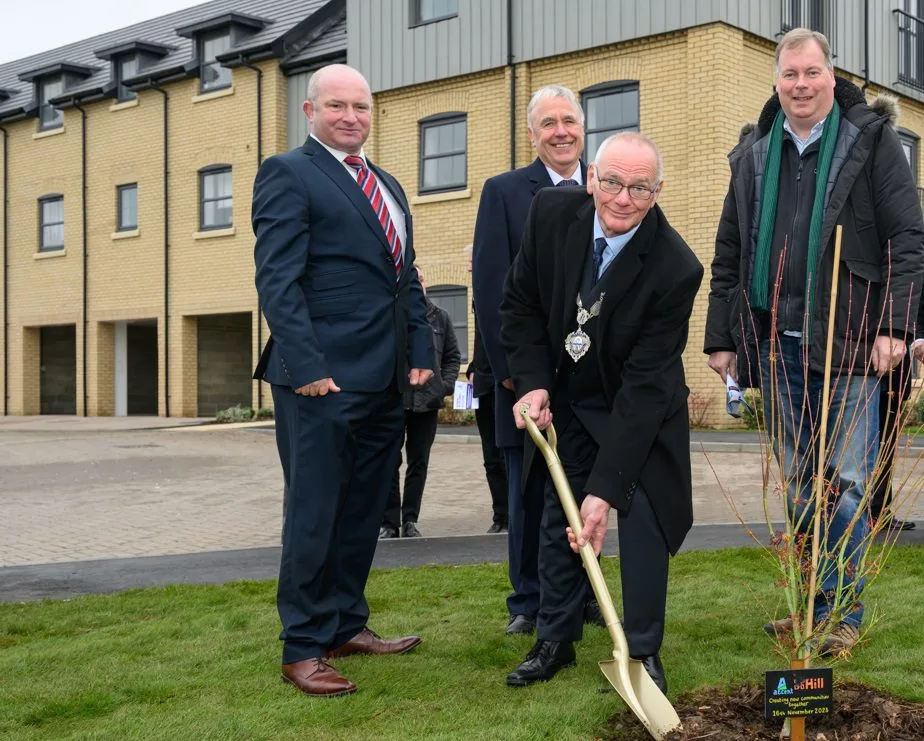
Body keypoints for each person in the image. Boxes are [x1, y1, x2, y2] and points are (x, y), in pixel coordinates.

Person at [704, 29, 924, 656]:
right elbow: (730, 250)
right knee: (801, 482)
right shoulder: (753, 153)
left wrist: (897, 326)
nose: (800, 85)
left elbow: (907, 238)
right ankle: (811, 599)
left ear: (833, 76)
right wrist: (722, 337)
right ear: (776, 81)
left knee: (846, 483)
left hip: (850, 343)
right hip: (775, 342)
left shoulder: (871, 142)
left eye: (812, 72)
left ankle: (843, 609)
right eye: (789, 74)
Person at [252, 63, 435, 698]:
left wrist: (420, 350)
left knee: (362, 510)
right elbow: (277, 280)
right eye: (337, 106)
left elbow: (405, 278)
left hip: (384, 379)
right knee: (315, 512)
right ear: (310, 112)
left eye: (361, 106)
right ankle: (302, 646)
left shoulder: (387, 184)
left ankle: (344, 624)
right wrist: (306, 368)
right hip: (320, 381)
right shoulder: (288, 173)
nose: (351, 116)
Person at [500, 132, 703, 693]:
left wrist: (607, 488)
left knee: (643, 519)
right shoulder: (551, 214)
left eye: (639, 188)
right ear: (591, 178)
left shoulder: (675, 268)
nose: (621, 198)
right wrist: (535, 384)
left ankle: (641, 650)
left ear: (657, 192)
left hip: (639, 404)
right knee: (557, 515)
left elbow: (644, 384)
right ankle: (556, 638)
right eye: (611, 181)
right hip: (566, 397)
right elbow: (520, 304)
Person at [472, 84, 600, 636]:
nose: (560, 131)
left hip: (592, 379)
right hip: (526, 379)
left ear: (582, 127)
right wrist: (515, 376)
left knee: (585, 487)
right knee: (529, 489)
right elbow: (491, 286)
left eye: (568, 120)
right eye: (547, 123)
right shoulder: (504, 193)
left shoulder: (609, 186)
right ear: (532, 134)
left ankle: (583, 592)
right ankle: (528, 600)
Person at [382, 265, 462, 539]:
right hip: (395, 400)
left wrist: (444, 385)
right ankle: (389, 523)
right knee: (390, 461)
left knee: (419, 463)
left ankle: (410, 520)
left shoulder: (441, 318)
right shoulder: (391, 316)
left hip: (427, 403)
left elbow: (452, 357)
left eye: (420, 279)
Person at [464, 245, 509, 534]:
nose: (468, 265)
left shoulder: (500, 288)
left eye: (470, 259)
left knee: (507, 453)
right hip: (482, 382)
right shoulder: (476, 293)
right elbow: (481, 337)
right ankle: (499, 515)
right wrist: (471, 366)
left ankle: (514, 514)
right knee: (490, 455)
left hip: (504, 382)